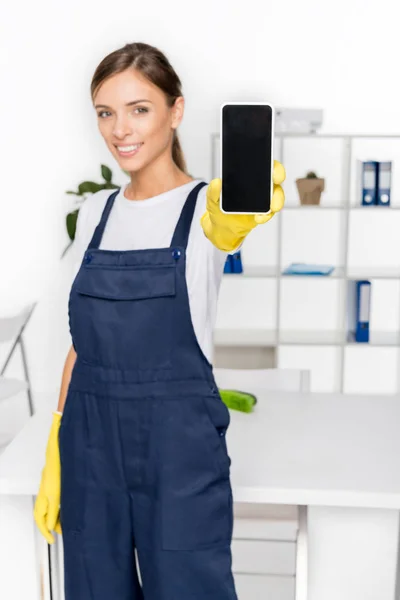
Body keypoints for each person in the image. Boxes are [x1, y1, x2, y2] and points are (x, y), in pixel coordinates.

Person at [33, 41, 285, 599]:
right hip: (90, 449)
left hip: (178, 455)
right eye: (106, 112)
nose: (120, 129)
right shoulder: (94, 211)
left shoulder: (208, 209)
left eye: (139, 109)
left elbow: (223, 232)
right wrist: (56, 438)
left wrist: (231, 223)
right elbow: (84, 345)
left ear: (176, 111)